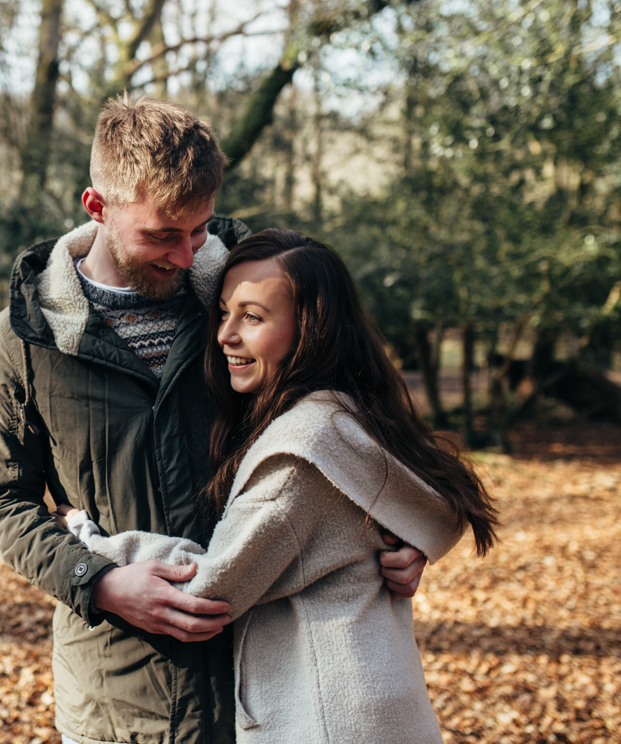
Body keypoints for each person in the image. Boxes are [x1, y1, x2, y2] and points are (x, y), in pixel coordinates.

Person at [0, 96, 430, 744]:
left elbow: (339, 424)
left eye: (200, 230)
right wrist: (98, 581)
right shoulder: (24, 340)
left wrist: (395, 529)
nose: (187, 256)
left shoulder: (252, 302)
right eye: (163, 234)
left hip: (273, 687)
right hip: (116, 699)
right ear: (96, 207)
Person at [61, 229, 499, 743]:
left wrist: (90, 539)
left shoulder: (299, 453)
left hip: (327, 720)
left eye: (252, 317)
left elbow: (209, 588)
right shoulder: (347, 414)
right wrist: (422, 536)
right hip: (376, 710)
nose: (225, 334)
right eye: (223, 312)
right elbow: (437, 496)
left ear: (311, 330)